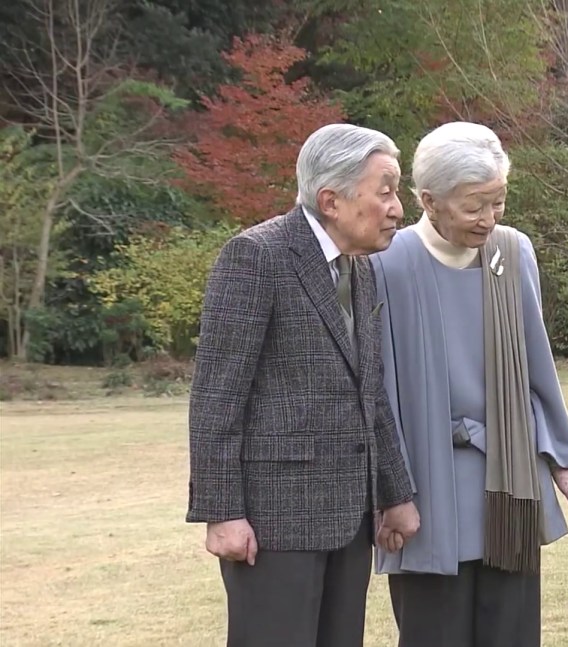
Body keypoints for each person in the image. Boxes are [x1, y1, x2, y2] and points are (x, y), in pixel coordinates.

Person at [186, 123, 421, 647]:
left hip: (349, 517)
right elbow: (217, 398)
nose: (398, 207)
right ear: (331, 200)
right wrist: (222, 513)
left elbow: (370, 389)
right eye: (384, 191)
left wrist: (395, 493)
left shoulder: (359, 269)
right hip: (273, 525)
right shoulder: (256, 257)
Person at [370, 121, 568, 647]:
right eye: (475, 205)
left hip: (509, 476)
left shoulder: (512, 253)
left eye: (498, 202)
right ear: (429, 200)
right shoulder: (387, 263)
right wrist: (388, 494)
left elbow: (536, 366)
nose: (490, 218)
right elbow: (374, 390)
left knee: (512, 634)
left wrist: (562, 464)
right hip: (423, 483)